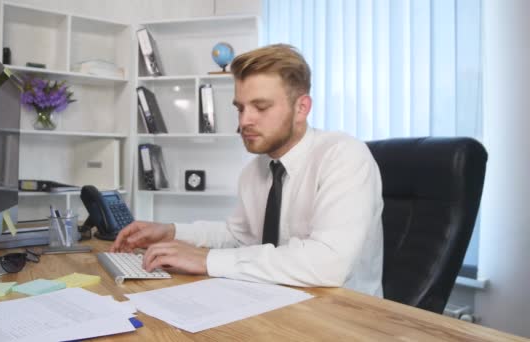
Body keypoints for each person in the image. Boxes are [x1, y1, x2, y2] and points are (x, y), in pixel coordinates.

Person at [111, 44, 384, 297]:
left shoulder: (344, 156)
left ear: (302, 108)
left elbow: (329, 263)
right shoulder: (255, 171)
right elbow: (238, 237)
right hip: (276, 301)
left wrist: (206, 260)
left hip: (344, 315)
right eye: (240, 108)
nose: (244, 121)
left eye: (260, 107)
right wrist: (171, 231)